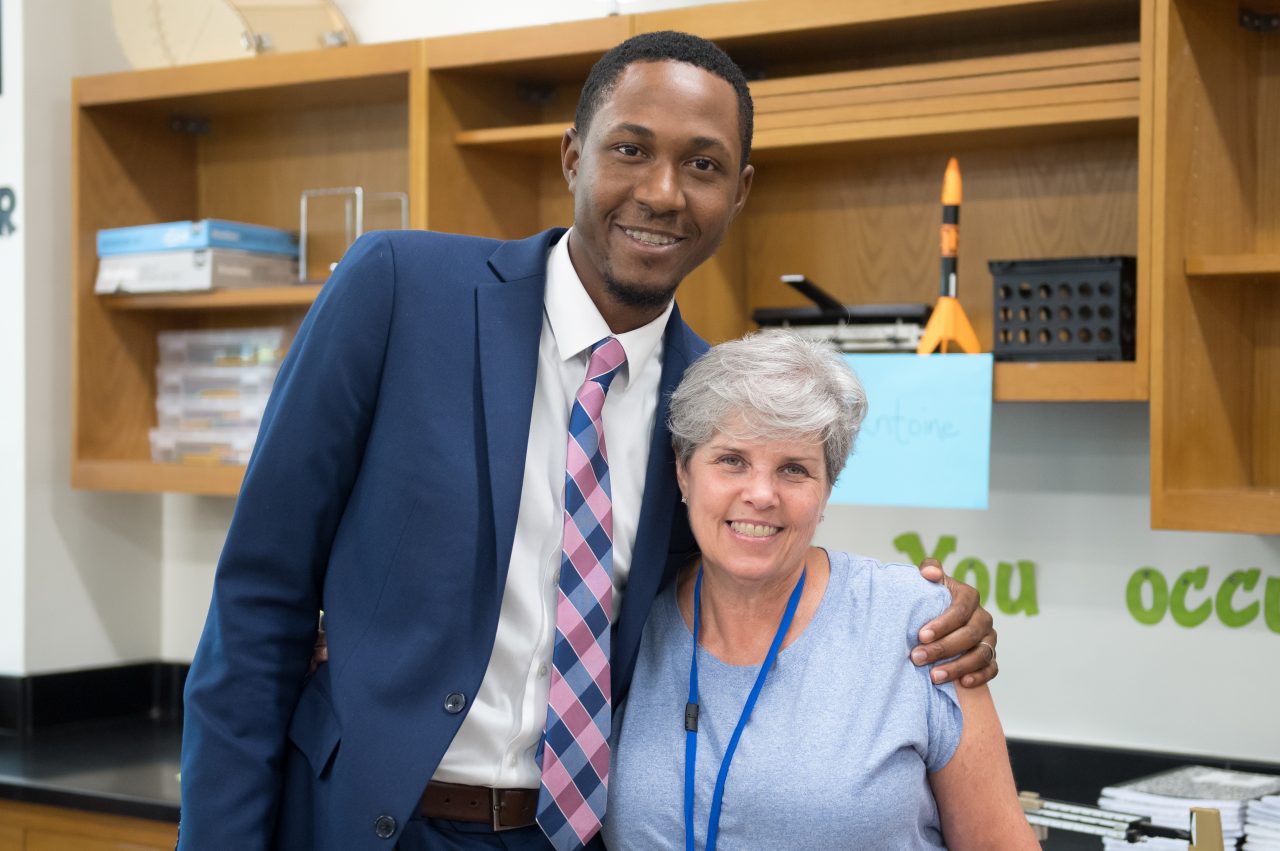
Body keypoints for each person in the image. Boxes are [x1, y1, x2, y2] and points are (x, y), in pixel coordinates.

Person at [178, 31, 999, 851]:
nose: (664, 192)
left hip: (570, 836)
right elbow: (260, 599)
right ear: (573, 157)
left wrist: (928, 622)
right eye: (631, 149)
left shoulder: (710, 405)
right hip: (360, 825)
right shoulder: (397, 291)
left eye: (703, 165)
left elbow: (752, 561)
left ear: (739, 190)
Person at [604, 330, 1034, 850]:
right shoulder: (626, 624)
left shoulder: (917, 625)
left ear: (827, 488)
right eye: (731, 460)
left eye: (794, 469)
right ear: (683, 471)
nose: (761, 494)